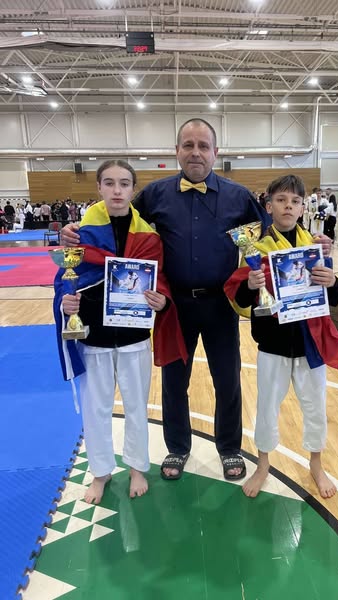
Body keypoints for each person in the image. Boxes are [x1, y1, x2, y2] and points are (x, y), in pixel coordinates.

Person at [60, 119, 333, 482]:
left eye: (203, 146)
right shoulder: (155, 194)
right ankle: (177, 447)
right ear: (177, 151)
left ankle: (229, 448)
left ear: (215, 152)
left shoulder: (238, 196)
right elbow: (120, 219)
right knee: (175, 380)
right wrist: (77, 231)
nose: (196, 152)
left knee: (227, 380)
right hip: (174, 306)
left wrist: (312, 242)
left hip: (221, 304)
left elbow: (275, 231)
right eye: (188, 145)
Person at [54, 159, 187, 504]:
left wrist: (162, 301)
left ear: (133, 189)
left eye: (124, 184)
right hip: (94, 336)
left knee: (136, 407)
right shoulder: (80, 235)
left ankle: (137, 467)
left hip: (133, 337)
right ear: (98, 187)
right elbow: (66, 280)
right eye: (110, 183)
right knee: (96, 409)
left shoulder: (149, 237)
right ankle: (100, 472)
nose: (117, 190)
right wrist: (65, 303)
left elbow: (160, 280)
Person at [224, 175, 338, 499]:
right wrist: (250, 285)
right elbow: (239, 295)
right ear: (269, 206)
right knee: (266, 408)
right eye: (281, 200)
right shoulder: (256, 248)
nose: (288, 206)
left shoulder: (315, 247)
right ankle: (263, 464)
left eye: (294, 201)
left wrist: (332, 280)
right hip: (273, 344)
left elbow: (333, 297)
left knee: (315, 407)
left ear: (303, 208)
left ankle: (316, 463)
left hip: (310, 344)